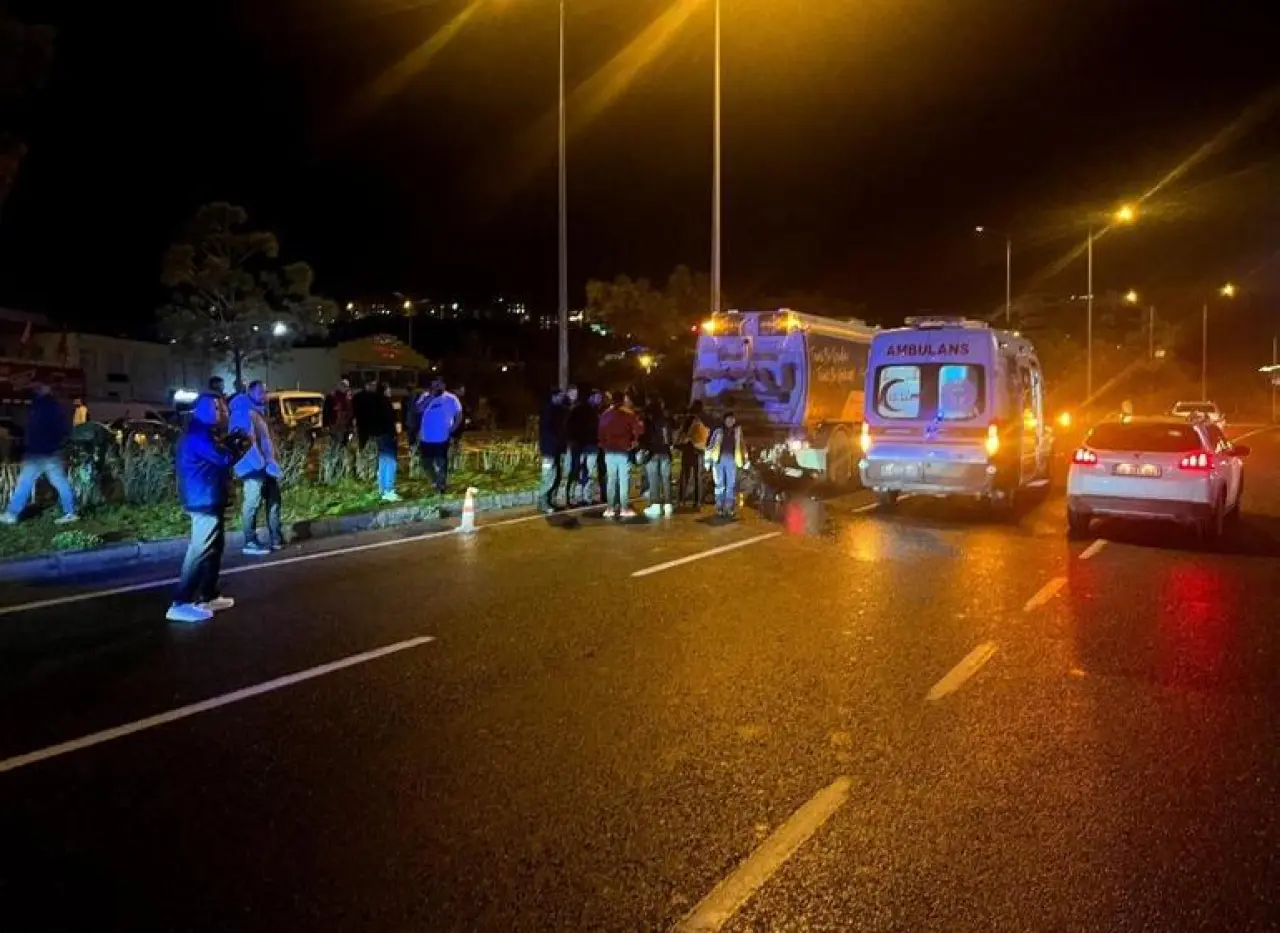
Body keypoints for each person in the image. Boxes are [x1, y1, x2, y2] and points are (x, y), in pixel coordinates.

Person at [168, 394, 242, 623]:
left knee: (214, 548)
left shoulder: (204, 432)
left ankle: (208, 595)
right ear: (201, 410)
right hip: (202, 499)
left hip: (209, 496)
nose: (221, 411)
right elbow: (223, 459)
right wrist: (238, 447)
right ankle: (180, 602)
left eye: (221, 407)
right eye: (216, 407)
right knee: (200, 550)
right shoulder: (198, 434)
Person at [1, 380, 79, 525]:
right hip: (47, 452)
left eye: (39, 387)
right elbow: (62, 430)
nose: (36, 389)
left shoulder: (41, 406)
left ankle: (12, 514)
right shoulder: (50, 406)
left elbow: (39, 429)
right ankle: (71, 512)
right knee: (59, 482)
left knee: (25, 483)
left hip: (38, 452)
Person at [229, 381, 284, 555]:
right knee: (252, 503)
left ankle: (276, 537)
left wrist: (271, 461)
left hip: (264, 465)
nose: (264, 395)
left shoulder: (257, 412)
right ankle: (250, 541)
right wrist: (262, 464)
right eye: (261, 392)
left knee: (274, 500)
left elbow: (265, 440)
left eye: (265, 392)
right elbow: (245, 443)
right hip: (253, 466)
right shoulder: (243, 411)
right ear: (250, 392)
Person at [598, 390, 642, 519]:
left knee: (611, 480)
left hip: (609, 451)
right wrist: (634, 441)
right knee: (624, 480)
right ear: (623, 400)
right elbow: (638, 430)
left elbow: (600, 433)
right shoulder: (628, 414)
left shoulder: (605, 415)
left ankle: (610, 508)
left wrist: (604, 445)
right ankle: (624, 508)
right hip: (623, 451)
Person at [417, 377, 463, 494]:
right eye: (434, 384)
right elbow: (418, 409)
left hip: (442, 437)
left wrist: (453, 428)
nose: (437, 386)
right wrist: (431, 397)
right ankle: (435, 480)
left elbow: (459, 414)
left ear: (444, 385)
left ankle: (441, 486)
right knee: (426, 463)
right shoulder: (426, 396)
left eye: (439, 384)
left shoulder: (451, 398)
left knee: (441, 462)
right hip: (426, 437)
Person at [706, 411, 747, 518]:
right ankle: (719, 507)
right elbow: (710, 445)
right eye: (728, 419)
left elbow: (742, 446)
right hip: (718, 461)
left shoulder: (737, 432)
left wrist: (745, 460)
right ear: (724, 420)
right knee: (720, 485)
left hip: (732, 460)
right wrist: (707, 461)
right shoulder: (718, 431)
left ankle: (729, 508)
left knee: (731, 485)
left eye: (732, 419)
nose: (730, 421)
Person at [565, 385, 599, 507]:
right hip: (583, 446)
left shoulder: (590, 411)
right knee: (579, 471)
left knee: (584, 472)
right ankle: (576, 497)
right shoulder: (581, 410)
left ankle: (580, 497)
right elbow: (570, 427)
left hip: (586, 446)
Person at [642, 396, 674, 519]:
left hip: (653, 453)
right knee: (666, 479)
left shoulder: (650, 422)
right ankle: (668, 504)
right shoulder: (666, 421)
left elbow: (646, 437)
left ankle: (655, 505)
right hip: (665, 453)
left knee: (654, 479)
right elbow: (669, 438)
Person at [539, 387, 569, 513]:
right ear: (554, 396)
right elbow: (549, 431)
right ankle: (543, 502)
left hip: (555, 450)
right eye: (560, 396)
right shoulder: (548, 411)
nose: (562, 398)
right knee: (547, 477)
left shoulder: (558, 410)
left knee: (556, 476)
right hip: (548, 451)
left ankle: (550, 500)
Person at [675, 400, 710, 509]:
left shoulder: (690, 420)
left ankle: (681, 500)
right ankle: (698, 502)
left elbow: (683, 435)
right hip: (700, 451)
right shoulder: (705, 420)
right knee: (698, 478)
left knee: (685, 476)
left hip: (688, 450)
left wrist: (679, 442)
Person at [371, 383, 401, 502]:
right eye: (389, 389)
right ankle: (389, 491)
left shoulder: (375, 403)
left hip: (380, 435)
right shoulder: (385, 403)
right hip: (387, 435)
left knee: (383, 462)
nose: (390, 391)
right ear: (384, 391)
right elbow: (390, 421)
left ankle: (382, 490)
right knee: (390, 463)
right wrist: (394, 435)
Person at [322, 379, 354, 447]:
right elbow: (326, 411)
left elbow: (351, 411)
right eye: (342, 385)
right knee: (335, 442)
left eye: (345, 386)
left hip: (345, 424)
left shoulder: (349, 397)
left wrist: (351, 424)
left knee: (345, 442)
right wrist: (325, 424)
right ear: (338, 386)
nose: (344, 387)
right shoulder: (331, 396)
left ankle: (342, 452)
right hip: (334, 423)